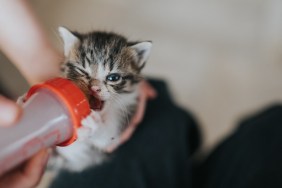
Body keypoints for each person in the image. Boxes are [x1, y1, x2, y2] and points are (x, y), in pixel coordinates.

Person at [0, 1, 155, 187]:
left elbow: (107, 140)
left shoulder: (126, 100)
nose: (95, 87)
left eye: (112, 77)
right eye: (83, 73)